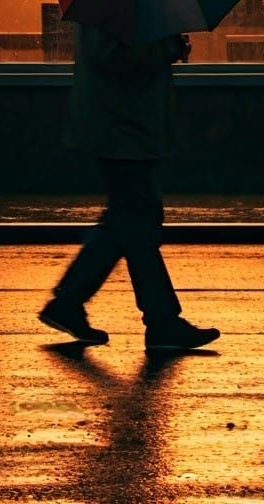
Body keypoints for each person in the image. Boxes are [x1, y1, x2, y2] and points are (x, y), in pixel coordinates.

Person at [38, 23, 220, 353]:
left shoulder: (116, 0)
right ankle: (157, 320)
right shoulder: (113, 5)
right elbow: (113, 55)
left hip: (122, 127)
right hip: (120, 129)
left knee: (132, 221)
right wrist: (167, 48)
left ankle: (147, 317)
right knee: (136, 217)